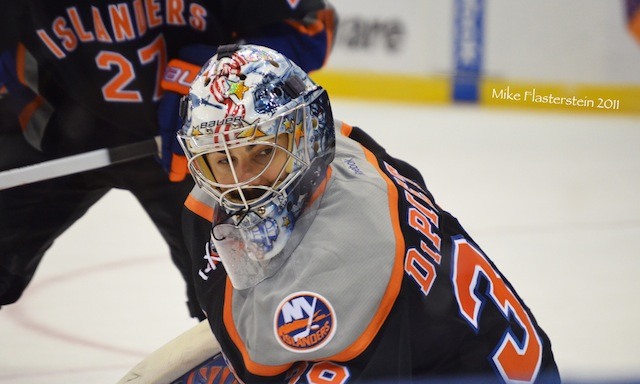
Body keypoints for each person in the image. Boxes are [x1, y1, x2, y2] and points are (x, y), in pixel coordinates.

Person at [175, 44, 561, 382]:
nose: (243, 183)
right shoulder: (343, 145)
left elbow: (254, 362)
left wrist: (201, 228)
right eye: (221, 159)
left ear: (305, 134)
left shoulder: (350, 254)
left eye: (262, 153)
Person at [0, 0, 337, 320]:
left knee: (246, 294)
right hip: (55, 138)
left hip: (199, 151)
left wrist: (212, 71)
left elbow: (313, 27)